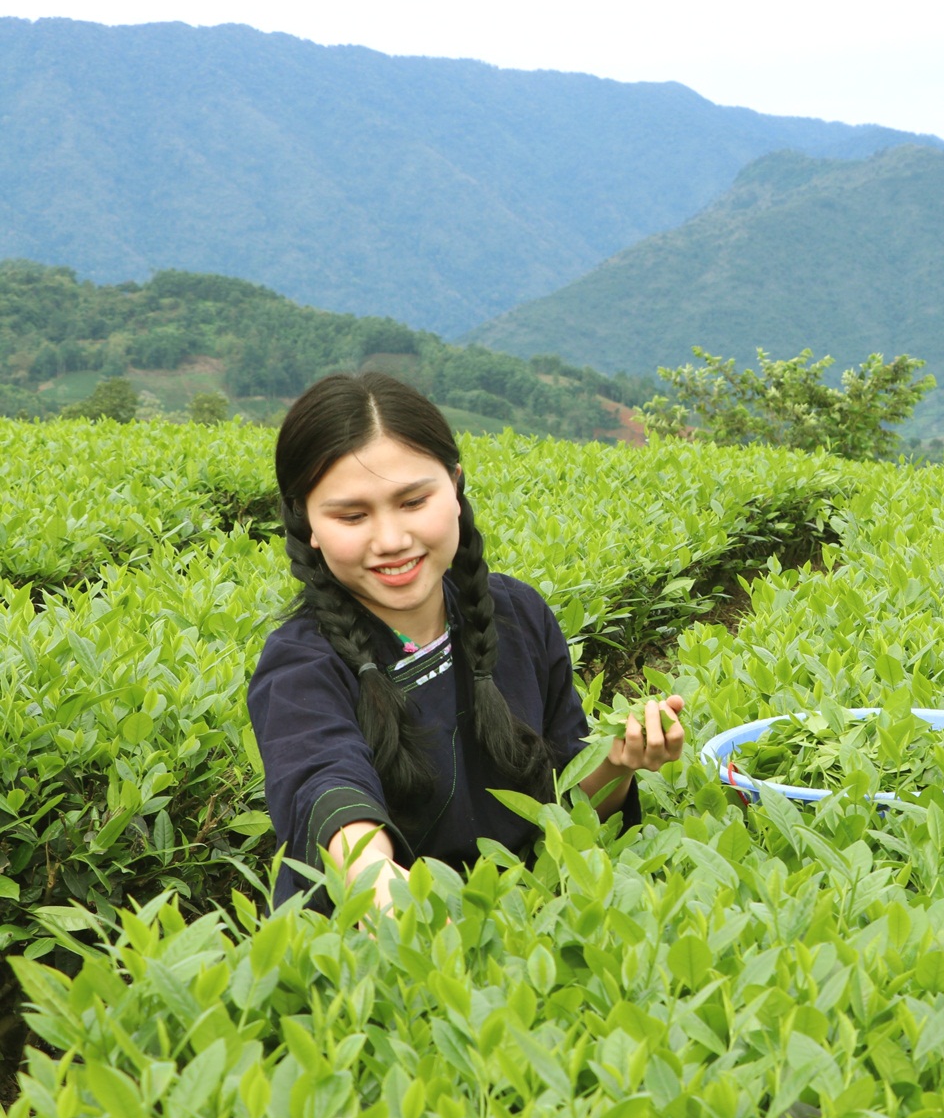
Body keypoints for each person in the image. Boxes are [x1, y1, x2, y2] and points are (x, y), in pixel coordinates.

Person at [249, 372, 684, 914]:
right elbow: (328, 789)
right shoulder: (299, 668)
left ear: (454, 486)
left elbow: (570, 808)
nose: (391, 540)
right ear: (306, 521)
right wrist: (381, 885)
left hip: (528, 925)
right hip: (386, 945)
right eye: (352, 515)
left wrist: (619, 762)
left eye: (413, 501)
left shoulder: (518, 615)